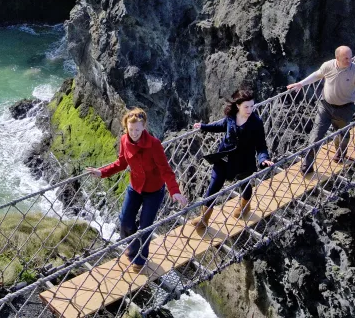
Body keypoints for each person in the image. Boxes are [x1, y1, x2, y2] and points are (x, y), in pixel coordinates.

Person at [86, 108, 187, 272]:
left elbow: (165, 170)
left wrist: (174, 191)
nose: (134, 133)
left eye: (137, 130)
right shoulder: (124, 140)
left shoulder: (154, 144)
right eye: (130, 129)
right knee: (125, 220)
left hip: (154, 190)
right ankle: (133, 245)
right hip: (135, 187)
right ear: (126, 127)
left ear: (144, 127)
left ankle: (139, 260)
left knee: (145, 227)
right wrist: (101, 172)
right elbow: (121, 163)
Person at [190, 90, 274, 229]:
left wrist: (264, 159)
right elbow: (222, 126)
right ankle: (204, 218)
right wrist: (204, 126)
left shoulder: (256, 122)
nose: (250, 110)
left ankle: (245, 206)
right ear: (238, 106)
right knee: (213, 187)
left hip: (244, 161)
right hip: (224, 158)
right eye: (246, 106)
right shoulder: (231, 117)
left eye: (252, 106)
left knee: (245, 186)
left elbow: (261, 146)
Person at [287, 46, 355, 172]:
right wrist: (300, 84)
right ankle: (307, 165)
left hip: (345, 108)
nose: (349, 61)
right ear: (337, 58)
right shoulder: (328, 66)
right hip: (325, 106)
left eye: (350, 57)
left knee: (342, 134)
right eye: (346, 58)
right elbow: (317, 75)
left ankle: (340, 153)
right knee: (316, 136)